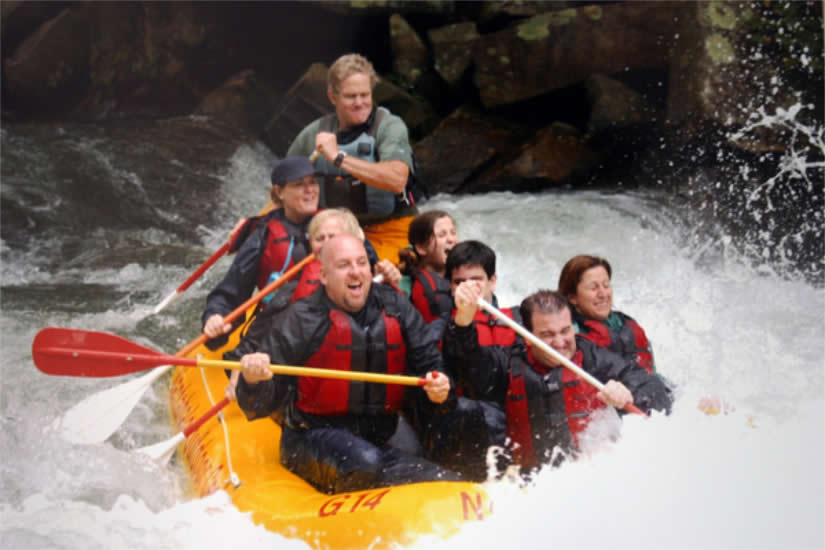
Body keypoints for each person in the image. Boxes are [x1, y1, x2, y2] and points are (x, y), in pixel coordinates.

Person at [235, 234, 463, 493]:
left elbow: (430, 363)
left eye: (361, 263)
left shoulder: (395, 305)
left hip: (379, 433)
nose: (355, 272)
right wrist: (252, 380)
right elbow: (258, 404)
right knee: (365, 462)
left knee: (444, 474)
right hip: (310, 435)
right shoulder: (302, 318)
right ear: (324, 276)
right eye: (344, 265)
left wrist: (441, 387)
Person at [447, 288, 672, 475]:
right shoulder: (508, 363)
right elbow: (465, 363)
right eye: (547, 335)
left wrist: (628, 393)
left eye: (565, 331)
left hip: (593, 475)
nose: (560, 342)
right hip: (532, 483)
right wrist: (463, 320)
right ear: (527, 335)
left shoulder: (593, 357)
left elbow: (651, 388)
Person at [222, 208, 400, 399]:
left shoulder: (375, 283)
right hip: (310, 397)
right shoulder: (292, 291)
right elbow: (259, 336)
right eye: (319, 239)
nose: (326, 244)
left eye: (332, 236)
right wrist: (242, 374)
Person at [286, 53, 420, 264]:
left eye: (365, 95)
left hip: (391, 229)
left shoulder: (390, 127)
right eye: (351, 96)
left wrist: (338, 158)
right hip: (336, 234)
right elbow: (282, 190)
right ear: (333, 97)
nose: (360, 103)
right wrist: (253, 225)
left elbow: (396, 181)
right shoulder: (312, 134)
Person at [201, 156, 319, 349]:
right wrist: (215, 316)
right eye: (299, 185)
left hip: (324, 328)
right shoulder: (263, 235)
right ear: (279, 193)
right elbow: (231, 292)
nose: (310, 190)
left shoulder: (334, 225)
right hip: (281, 331)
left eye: (313, 183)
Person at [558, 255, 657, 373]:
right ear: (572, 297)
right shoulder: (565, 336)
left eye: (606, 285)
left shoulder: (626, 325)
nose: (603, 294)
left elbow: (654, 376)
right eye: (593, 287)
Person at [397, 210, 458, 323]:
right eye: (442, 235)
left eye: (453, 233)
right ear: (421, 248)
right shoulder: (404, 287)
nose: (451, 239)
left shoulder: (463, 277)